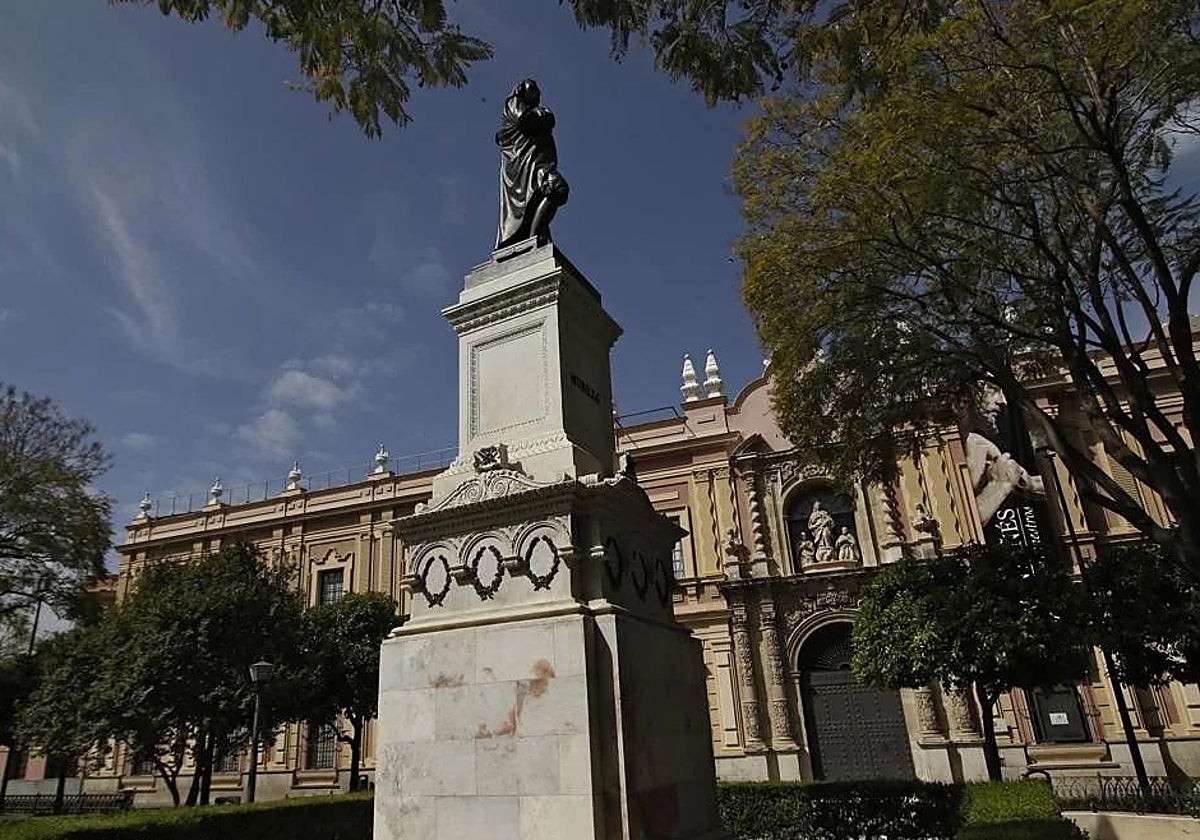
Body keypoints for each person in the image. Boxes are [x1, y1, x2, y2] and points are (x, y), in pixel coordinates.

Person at [495, 78, 569, 249]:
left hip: (536, 164)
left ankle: (535, 237)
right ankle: (535, 237)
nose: (538, 92)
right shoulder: (514, 103)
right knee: (557, 187)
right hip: (525, 167)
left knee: (551, 192)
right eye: (533, 88)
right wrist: (544, 114)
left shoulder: (529, 109)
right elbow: (525, 121)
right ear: (520, 90)